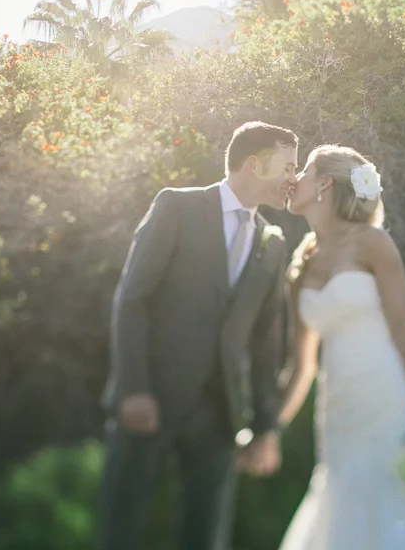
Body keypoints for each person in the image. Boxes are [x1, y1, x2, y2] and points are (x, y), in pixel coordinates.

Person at [97, 121, 299, 550]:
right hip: (151, 399)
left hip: (221, 414)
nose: (294, 179)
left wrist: (265, 426)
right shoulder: (177, 208)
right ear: (254, 164)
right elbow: (132, 300)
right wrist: (134, 389)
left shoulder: (274, 243)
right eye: (288, 166)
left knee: (207, 537)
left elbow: (266, 342)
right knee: (121, 528)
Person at [276, 144, 405, 549]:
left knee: (393, 494)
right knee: (341, 490)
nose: (292, 180)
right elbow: (301, 367)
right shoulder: (301, 267)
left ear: (325, 184)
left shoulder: (373, 244)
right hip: (338, 411)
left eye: (303, 172)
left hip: (386, 395)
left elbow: (403, 328)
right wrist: (269, 428)